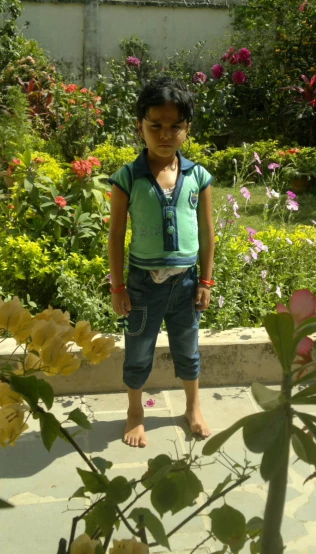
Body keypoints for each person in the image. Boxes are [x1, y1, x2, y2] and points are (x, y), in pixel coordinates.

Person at [107, 75, 215, 448]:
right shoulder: (128, 178)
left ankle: (193, 407)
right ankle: (135, 411)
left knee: (188, 349)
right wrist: (118, 286)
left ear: (187, 129)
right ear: (141, 127)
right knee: (138, 350)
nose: (165, 135)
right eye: (156, 126)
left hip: (186, 285)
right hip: (141, 285)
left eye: (175, 127)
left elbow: (207, 233)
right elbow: (116, 235)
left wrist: (206, 281)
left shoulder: (198, 177)